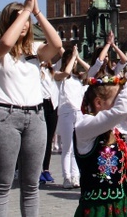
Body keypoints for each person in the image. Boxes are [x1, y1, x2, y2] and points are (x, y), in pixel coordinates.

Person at [0, 0, 63, 217]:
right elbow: (6, 44)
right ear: (8, 22)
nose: (25, 24)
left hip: (36, 117)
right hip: (5, 117)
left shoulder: (34, 50)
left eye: (26, 21)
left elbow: (57, 46)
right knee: (2, 184)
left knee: (31, 186)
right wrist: (25, 10)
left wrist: (36, 13)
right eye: (20, 19)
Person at [73, 39, 127, 217]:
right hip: (97, 210)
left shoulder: (119, 125)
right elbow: (122, 109)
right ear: (98, 103)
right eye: (115, 98)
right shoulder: (84, 127)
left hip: (124, 204)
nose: (120, 100)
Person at [54, 44, 89, 189]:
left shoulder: (77, 78)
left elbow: (90, 70)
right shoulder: (59, 76)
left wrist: (78, 58)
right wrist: (72, 57)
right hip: (66, 112)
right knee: (67, 147)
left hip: (78, 113)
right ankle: (66, 177)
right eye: (72, 60)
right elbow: (66, 71)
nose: (74, 63)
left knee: (77, 147)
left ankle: (76, 176)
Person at [39, 58, 61, 184]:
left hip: (52, 104)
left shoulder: (53, 69)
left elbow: (64, 58)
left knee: (48, 139)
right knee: (38, 139)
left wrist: (74, 55)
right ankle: (35, 170)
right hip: (39, 103)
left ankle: (45, 169)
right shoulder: (34, 67)